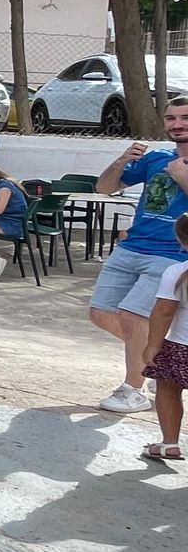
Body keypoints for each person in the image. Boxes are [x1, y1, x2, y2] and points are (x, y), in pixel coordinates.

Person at [95, 98, 188, 414]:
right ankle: (157, 359)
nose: (178, 124)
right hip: (132, 246)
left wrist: (181, 175)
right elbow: (104, 188)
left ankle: (133, 390)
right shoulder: (156, 157)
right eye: (171, 118)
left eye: (185, 117)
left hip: (172, 253)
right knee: (100, 313)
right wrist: (121, 161)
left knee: (134, 316)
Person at [137, 214, 188, 461]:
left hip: (182, 345)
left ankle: (170, 443)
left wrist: (153, 345)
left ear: (182, 241)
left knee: (167, 388)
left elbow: (164, 311)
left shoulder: (177, 272)